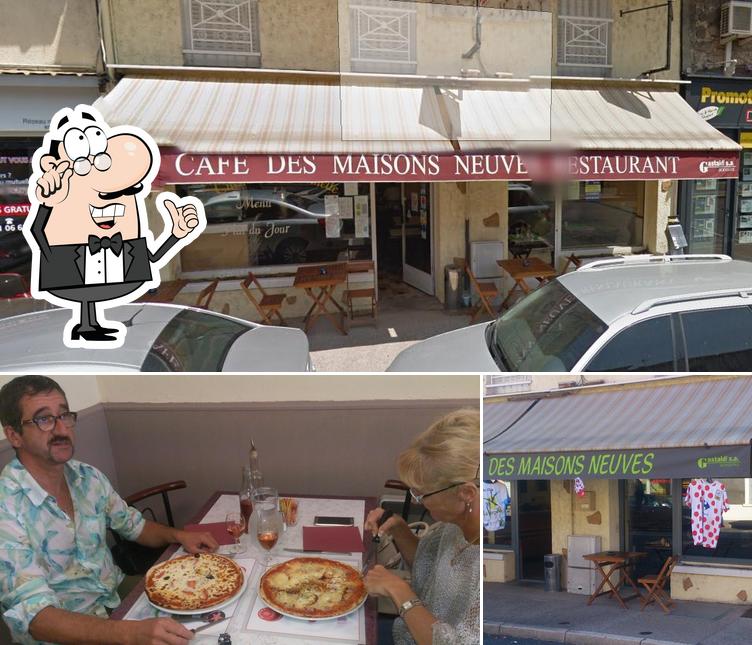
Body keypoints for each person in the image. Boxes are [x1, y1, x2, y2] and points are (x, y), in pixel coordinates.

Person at [0, 375, 219, 645]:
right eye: (44, 419)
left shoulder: (87, 476)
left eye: (64, 415)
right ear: (14, 435)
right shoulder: (6, 508)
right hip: (65, 632)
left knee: (209, 611)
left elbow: (136, 527)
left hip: (116, 594)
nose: (60, 429)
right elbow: (37, 619)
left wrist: (179, 536)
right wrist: (130, 633)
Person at [363, 409, 480, 645]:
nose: (419, 500)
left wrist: (398, 590)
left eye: (422, 493)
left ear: (466, 493)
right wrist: (399, 530)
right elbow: (427, 568)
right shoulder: (453, 525)